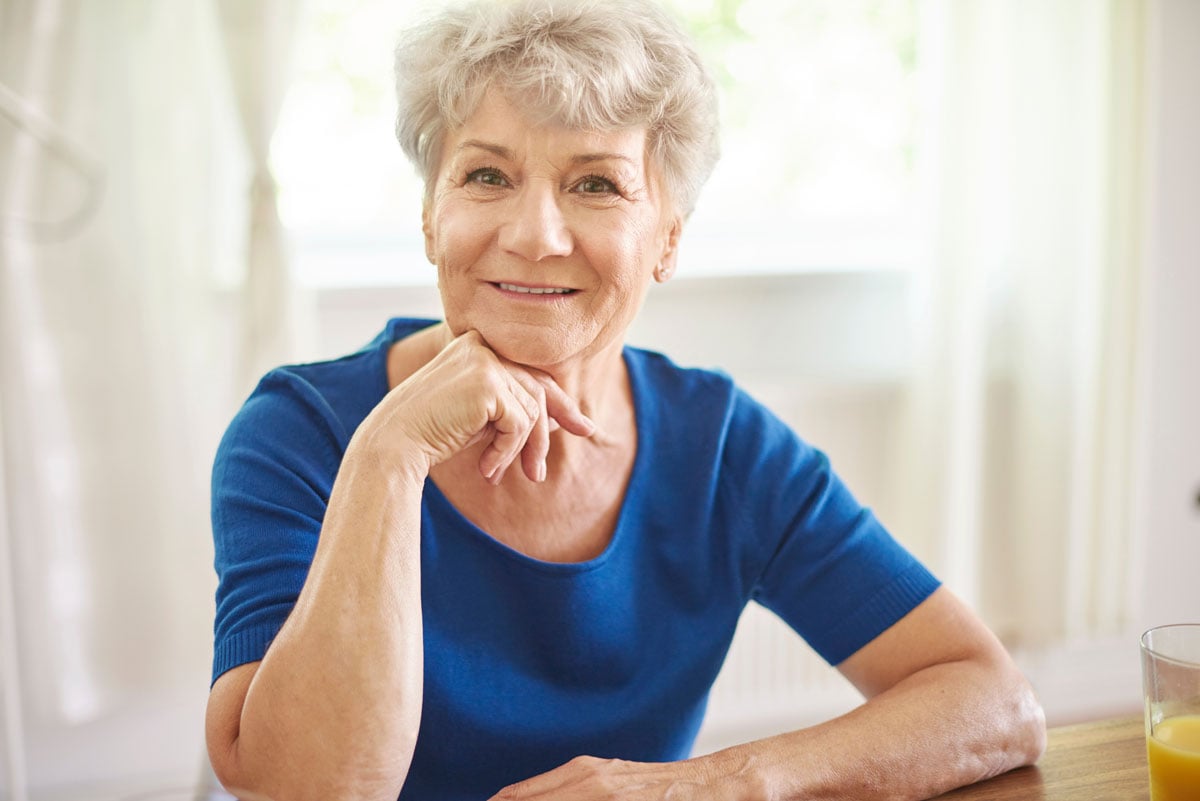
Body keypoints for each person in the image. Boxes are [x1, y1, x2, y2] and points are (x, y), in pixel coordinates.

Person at [204, 1, 1046, 798]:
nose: (535, 234)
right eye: (488, 174)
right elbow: (305, 788)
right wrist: (389, 456)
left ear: (668, 239)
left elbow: (992, 701)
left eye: (596, 185)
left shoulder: (721, 447)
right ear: (431, 214)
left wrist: (715, 782)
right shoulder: (296, 434)